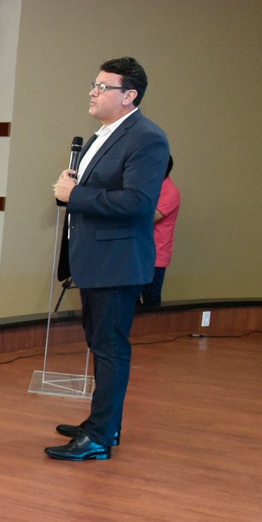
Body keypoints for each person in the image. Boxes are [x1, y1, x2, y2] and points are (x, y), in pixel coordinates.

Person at [48, 56, 169, 462]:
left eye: (103, 86)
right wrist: (69, 188)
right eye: (94, 84)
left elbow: (138, 203)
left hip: (118, 263)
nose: (93, 91)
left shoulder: (146, 138)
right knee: (99, 344)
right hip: (96, 260)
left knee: (110, 349)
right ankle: (103, 423)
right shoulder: (104, 133)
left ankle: (99, 437)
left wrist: (74, 196)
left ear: (129, 95)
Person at [140, 156, 181, 308]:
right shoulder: (149, 185)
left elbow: (147, 218)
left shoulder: (170, 192)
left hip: (155, 256)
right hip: (137, 253)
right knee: (131, 300)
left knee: (151, 301)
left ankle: (151, 332)